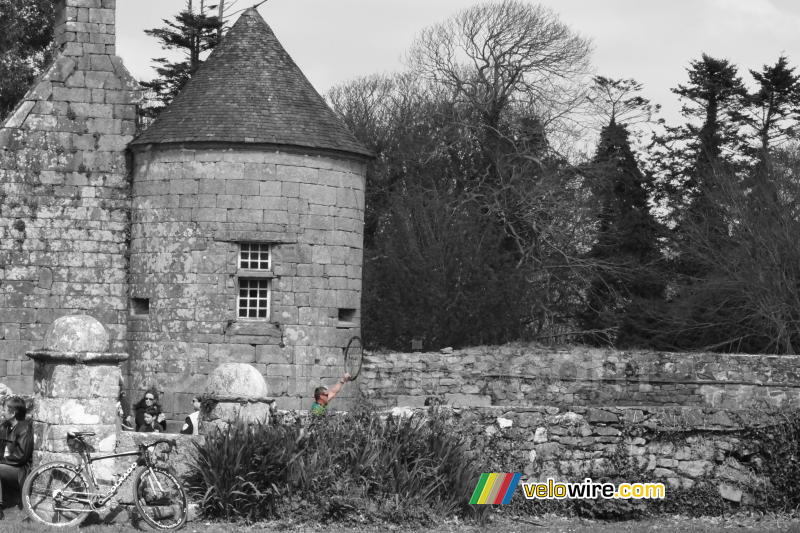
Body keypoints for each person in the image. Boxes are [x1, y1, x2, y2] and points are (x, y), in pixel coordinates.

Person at [0, 396, 34, 519]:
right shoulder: (4, 426)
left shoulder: (25, 428)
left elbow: (21, 457)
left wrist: (2, 461)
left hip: (20, 470)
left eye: (4, 409)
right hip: (6, 466)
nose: (2, 412)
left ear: (13, 413)